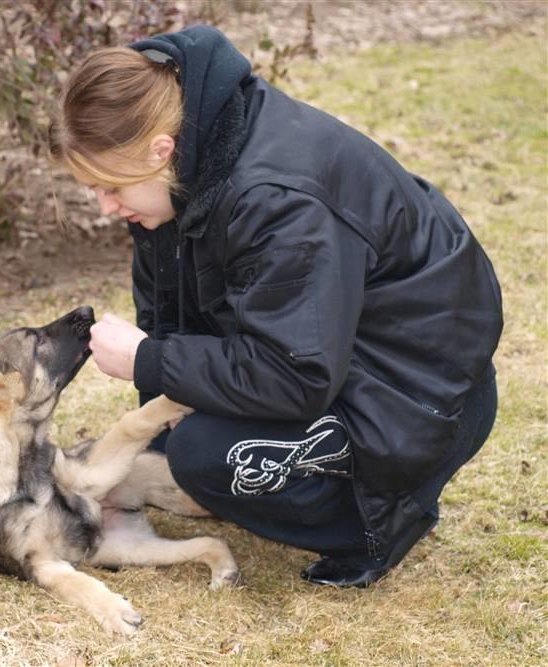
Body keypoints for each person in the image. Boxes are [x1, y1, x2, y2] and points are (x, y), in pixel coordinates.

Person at [48, 25, 503, 587]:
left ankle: (371, 523)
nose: (105, 206)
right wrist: (166, 385)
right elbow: (183, 314)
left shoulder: (277, 201)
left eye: (109, 186)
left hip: (419, 397)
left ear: (159, 149)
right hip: (351, 361)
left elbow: (297, 373)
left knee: (206, 456)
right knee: (175, 442)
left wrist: (149, 360)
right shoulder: (184, 171)